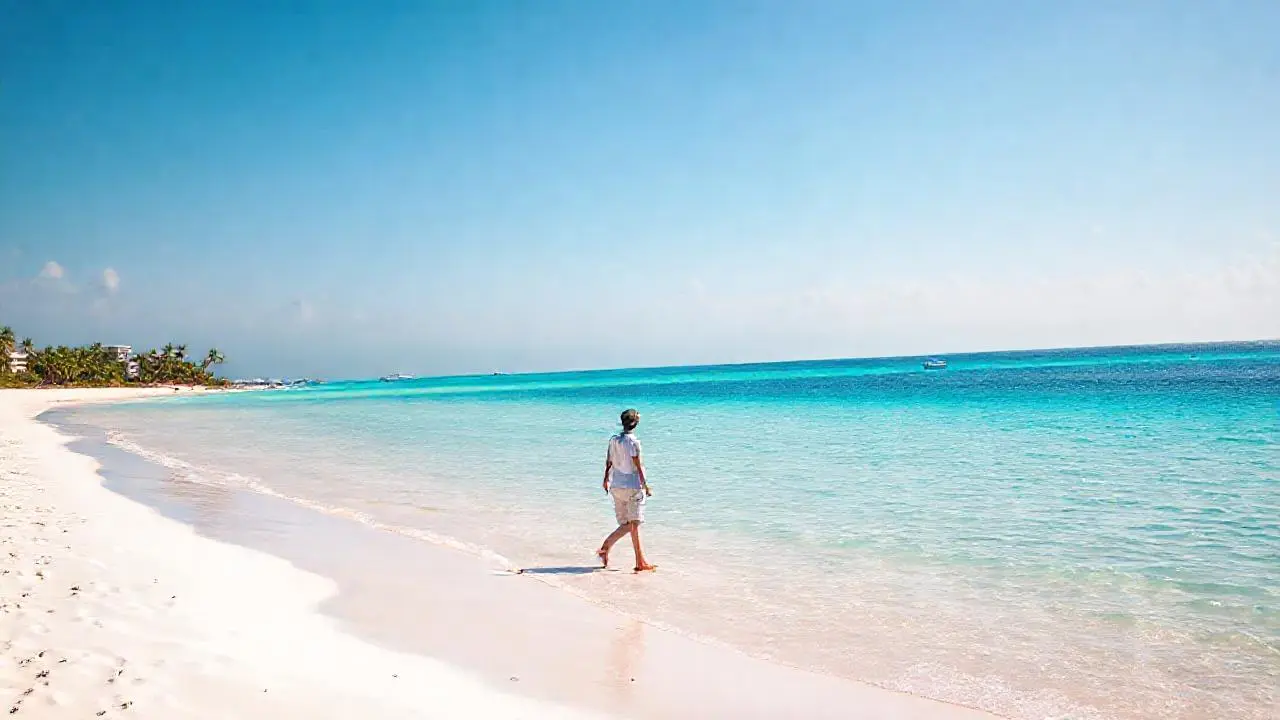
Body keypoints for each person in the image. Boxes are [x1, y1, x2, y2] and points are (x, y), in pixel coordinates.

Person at [597, 408, 656, 572]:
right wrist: (646, 485)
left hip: (616, 485)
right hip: (632, 486)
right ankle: (640, 562)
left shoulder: (614, 440)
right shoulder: (634, 442)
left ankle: (605, 547)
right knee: (634, 524)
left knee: (627, 524)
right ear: (636, 423)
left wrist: (605, 480)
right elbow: (637, 466)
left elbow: (608, 462)